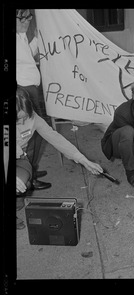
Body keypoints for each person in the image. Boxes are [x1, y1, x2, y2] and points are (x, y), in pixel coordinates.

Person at [16, 86, 104, 197]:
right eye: (19, 120)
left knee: (22, 185)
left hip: (19, 159)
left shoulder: (32, 117)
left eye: (26, 117)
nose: (24, 122)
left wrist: (84, 160)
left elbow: (55, 138)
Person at [17, 9, 50, 190]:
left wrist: (36, 39)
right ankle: (28, 176)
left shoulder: (20, 37)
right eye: (21, 18)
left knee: (36, 134)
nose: (26, 22)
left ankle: (31, 169)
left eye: (28, 18)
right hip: (24, 90)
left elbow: (27, 56)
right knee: (31, 135)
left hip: (31, 89)